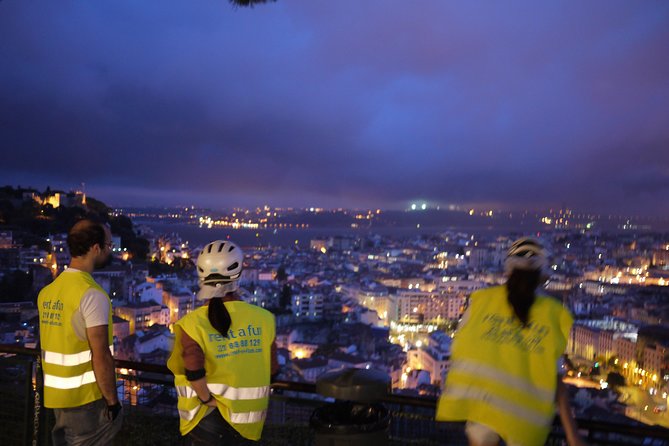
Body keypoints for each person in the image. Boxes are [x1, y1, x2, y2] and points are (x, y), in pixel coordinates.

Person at [436, 238, 585, 446]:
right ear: (541, 274)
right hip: (526, 415)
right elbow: (556, 380)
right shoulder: (551, 314)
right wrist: (573, 436)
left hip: (483, 406)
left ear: (508, 269)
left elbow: (462, 346)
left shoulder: (481, 302)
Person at [168, 240, 278, 445]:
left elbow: (193, 369)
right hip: (248, 421)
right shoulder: (264, 319)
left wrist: (206, 399)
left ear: (202, 276)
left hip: (206, 417)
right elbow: (273, 370)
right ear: (238, 275)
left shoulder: (191, 323)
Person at [38, 219, 122, 446]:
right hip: (87, 399)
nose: (109, 250)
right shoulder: (92, 295)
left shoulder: (48, 291)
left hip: (57, 396)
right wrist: (113, 401)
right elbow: (101, 354)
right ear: (95, 248)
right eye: (108, 245)